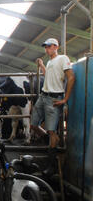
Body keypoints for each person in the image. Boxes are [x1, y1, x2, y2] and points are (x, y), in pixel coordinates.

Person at [31, 38, 75, 177]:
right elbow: (48, 76)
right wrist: (42, 65)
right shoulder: (50, 62)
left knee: (51, 131)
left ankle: (52, 165)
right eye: (45, 47)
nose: (47, 49)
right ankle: (49, 143)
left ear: (56, 46)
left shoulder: (63, 58)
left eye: (49, 46)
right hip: (43, 96)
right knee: (33, 124)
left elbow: (71, 77)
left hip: (54, 99)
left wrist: (65, 99)